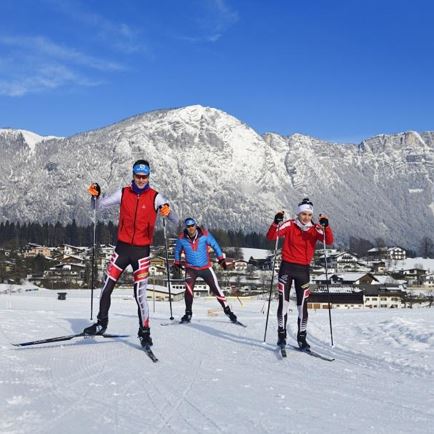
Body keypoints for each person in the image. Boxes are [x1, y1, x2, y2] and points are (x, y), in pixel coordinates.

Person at [84, 160, 178, 347]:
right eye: (138, 176)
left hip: (141, 253)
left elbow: (175, 220)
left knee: (140, 295)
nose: (141, 180)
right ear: (133, 175)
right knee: (106, 288)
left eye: (145, 177)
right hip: (122, 249)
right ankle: (101, 323)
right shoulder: (124, 193)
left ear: (149, 176)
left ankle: (144, 332)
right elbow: (97, 207)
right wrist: (95, 196)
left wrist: (168, 212)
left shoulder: (155, 197)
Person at [266, 198, 333, 349]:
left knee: (302, 306)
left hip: (303, 270)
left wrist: (326, 226)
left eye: (309, 215)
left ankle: (302, 338)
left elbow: (328, 240)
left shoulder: (315, 229)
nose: (306, 217)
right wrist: (276, 222)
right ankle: (281, 336)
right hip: (286, 268)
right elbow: (271, 236)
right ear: (298, 213)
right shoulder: (290, 224)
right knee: (284, 304)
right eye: (303, 214)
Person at [174, 217, 238, 324]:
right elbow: (177, 250)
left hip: (205, 268)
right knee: (188, 291)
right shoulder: (181, 238)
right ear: (186, 227)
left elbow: (215, 246)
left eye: (192, 225)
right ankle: (188, 313)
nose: (191, 228)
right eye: (188, 226)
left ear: (195, 225)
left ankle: (228, 311)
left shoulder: (205, 235)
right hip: (191, 268)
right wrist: (177, 262)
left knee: (216, 289)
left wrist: (221, 259)